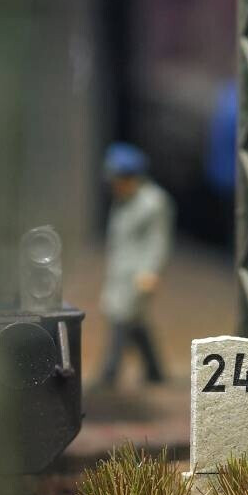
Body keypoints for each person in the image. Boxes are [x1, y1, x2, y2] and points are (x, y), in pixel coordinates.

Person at [97, 143, 175, 388]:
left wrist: (150, 271)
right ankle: (155, 370)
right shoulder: (123, 201)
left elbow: (158, 241)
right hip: (121, 270)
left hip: (138, 273)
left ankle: (110, 373)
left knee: (122, 318)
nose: (115, 186)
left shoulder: (153, 202)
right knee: (136, 322)